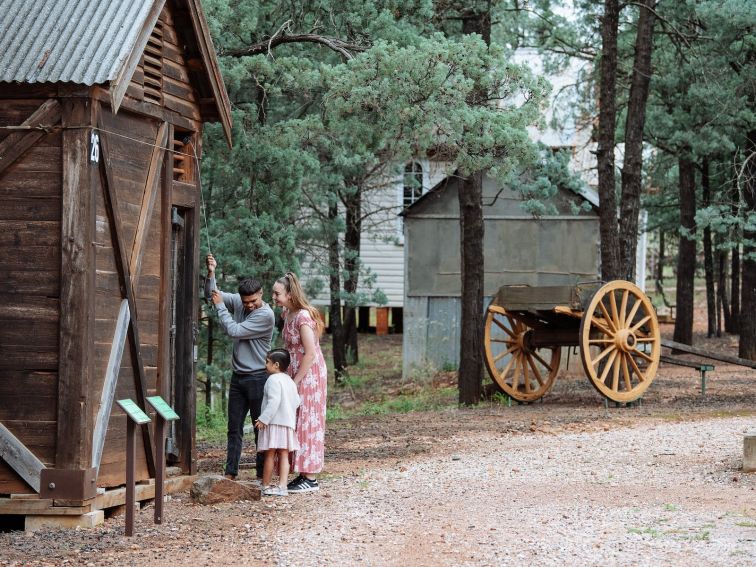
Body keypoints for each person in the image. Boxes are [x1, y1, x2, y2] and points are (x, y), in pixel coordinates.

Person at [205, 254, 275, 481]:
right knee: (233, 428)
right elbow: (212, 294)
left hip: (258, 378)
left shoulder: (265, 315)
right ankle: (230, 474)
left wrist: (220, 308)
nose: (249, 305)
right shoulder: (239, 302)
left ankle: (260, 476)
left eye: (253, 301)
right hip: (238, 378)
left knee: (259, 429)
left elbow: (234, 331)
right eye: (246, 302)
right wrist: (212, 273)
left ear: (261, 295)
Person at [271, 272, 327, 493]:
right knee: (295, 419)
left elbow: (311, 353)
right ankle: (301, 471)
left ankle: (310, 476)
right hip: (295, 370)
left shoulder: (303, 317)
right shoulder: (288, 313)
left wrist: (295, 381)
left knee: (308, 420)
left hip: (309, 373)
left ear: (290, 294)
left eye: (277, 293)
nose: (274, 297)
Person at [255, 349, 301, 497]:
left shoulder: (273, 380)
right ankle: (282, 486)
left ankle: (266, 486)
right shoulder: (289, 381)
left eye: (267, 362)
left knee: (270, 454)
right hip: (287, 424)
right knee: (283, 454)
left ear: (275, 365)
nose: (265, 364)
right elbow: (297, 401)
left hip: (274, 423)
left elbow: (273, 401)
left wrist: (264, 418)